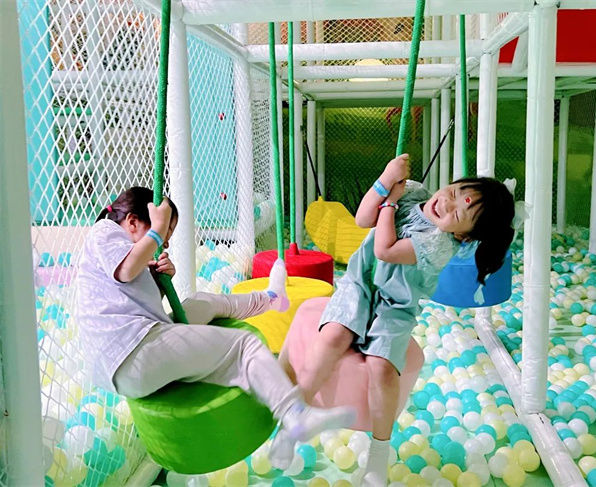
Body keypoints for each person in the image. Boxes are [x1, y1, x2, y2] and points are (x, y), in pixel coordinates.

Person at [74, 187, 355, 469]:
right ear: (133, 222)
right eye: (164, 233)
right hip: (131, 352)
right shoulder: (105, 232)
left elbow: (136, 301)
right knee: (244, 346)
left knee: (201, 303)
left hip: (129, 351)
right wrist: (156, 232)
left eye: (167, 236)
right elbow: (125, 272)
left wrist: (157, 280)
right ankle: (295, 414)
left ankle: (271, 298)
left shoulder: (124, 252)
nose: (165, 243)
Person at [291, 154, 516, 486]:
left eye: (457, 214)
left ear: (464, 236)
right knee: (334, 336)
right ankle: (296, 410)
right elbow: (362, 219)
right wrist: (385, 180)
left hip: (396, 306)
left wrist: (390, 203)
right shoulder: (412, 190)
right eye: (455, 192)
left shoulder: (440, 245)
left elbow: (385, 249)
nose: (446, 204)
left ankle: (379, 451)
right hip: (360, 283)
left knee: (381, 368)